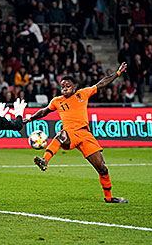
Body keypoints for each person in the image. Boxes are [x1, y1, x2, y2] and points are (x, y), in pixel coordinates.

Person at [25, 63, 128, 203]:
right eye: (62, 86)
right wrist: (29, 119)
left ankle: (109, 198)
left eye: (68, 86)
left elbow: (102, 83)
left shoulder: (83, 93)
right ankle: (44, 160)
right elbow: (44, 111)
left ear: (74, 87)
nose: (65, 89)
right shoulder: (57, 101)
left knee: (102, 168)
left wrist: (118, 73)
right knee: (61, 134)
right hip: (70, 134)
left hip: (86, 135)